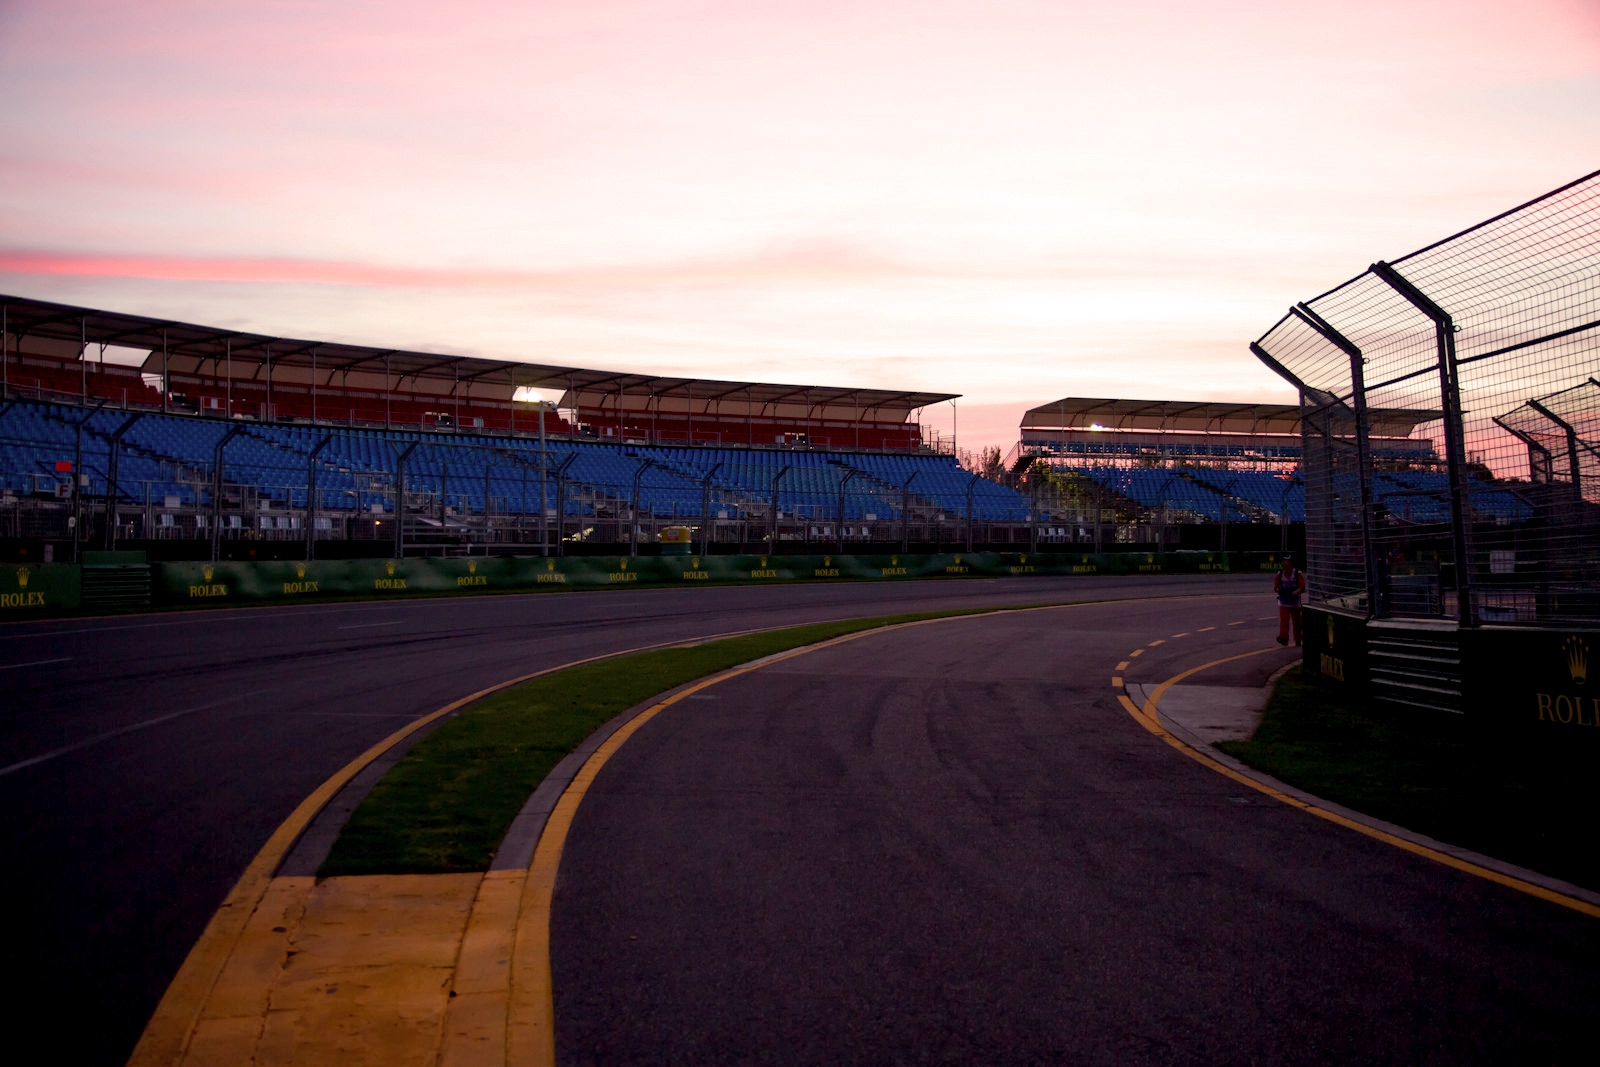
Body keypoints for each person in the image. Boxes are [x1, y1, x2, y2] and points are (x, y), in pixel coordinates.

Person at [1274, 554, 1305, 646]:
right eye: (1283, 561)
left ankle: (1298, 639)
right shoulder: (1279, 574)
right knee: (1284, 620)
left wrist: (1295, 592)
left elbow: (1302, 587)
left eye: (1286, 561)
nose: (1284, 563)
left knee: (1297, 622)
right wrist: (1280, 591)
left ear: (1291, 563)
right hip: (1284, 600)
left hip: (1294, 601)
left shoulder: (1297, 573)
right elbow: (1275, 588)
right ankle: (1283, 638)